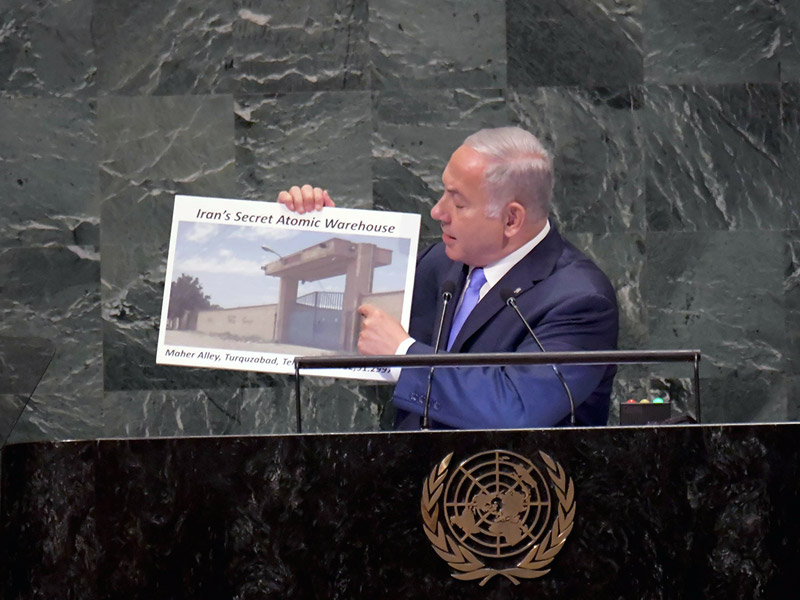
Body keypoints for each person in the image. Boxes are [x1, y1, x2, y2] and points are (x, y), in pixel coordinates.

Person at [278, 126, 618, 429]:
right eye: (443, 193)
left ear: (511, 219)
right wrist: (321, 230)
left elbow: (517, 409)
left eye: (458, 203)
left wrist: (403, 354)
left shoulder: (581, 301)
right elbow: (360, 327)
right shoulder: (440, 261)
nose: (437, 212)